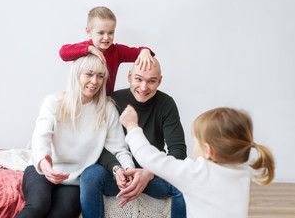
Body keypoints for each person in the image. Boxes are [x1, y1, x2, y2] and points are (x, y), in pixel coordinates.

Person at [15, 55, 135, 218]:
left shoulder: (107, 109)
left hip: (74, 179)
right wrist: (45, 165)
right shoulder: (54, 102)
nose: (95, 81)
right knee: (38, 205)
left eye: (100, 76)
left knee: (59, 214)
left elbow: (120, 149)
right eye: (89, 74)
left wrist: (127, 171)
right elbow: (40, 138)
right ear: (76, 75)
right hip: (43, 170)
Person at [120, 106, 275, 218]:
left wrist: (132, 126)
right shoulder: (243, 175)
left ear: (208, 151)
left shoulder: (198, 174)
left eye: (196, 143)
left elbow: (149, 158)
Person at [80, 58, 187, 218]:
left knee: (184, 185)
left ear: (160, 81)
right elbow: (97, 146)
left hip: (151, 174)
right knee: (90, 176)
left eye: (151, 81)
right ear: (129, 76)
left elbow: (178, 151)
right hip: (117, 173)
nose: (144, 87)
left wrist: (149, 173)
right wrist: (117, 169)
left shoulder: (166, 104)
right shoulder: (112, 101)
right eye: (138, 79)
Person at [59, 6, 156, 94]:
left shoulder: (117, 51)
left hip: (106, 101)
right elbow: (63, 53)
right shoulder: (85, 47)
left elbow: (139, 51)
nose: (106, 37)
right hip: (83, 98)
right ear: (89, 31)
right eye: (101, 33)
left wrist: (145, 51)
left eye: (110, 33)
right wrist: (89, 49)